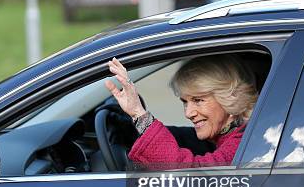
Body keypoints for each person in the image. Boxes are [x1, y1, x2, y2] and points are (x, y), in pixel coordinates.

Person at [104, 56, 258, 167]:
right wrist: (133, 130)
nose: (188, 113)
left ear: (230, 98)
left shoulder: (243, 145)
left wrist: (139, 114)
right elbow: (182, 137)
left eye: (198, 100)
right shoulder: (231, 135)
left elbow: (193, 176)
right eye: (185, 102)